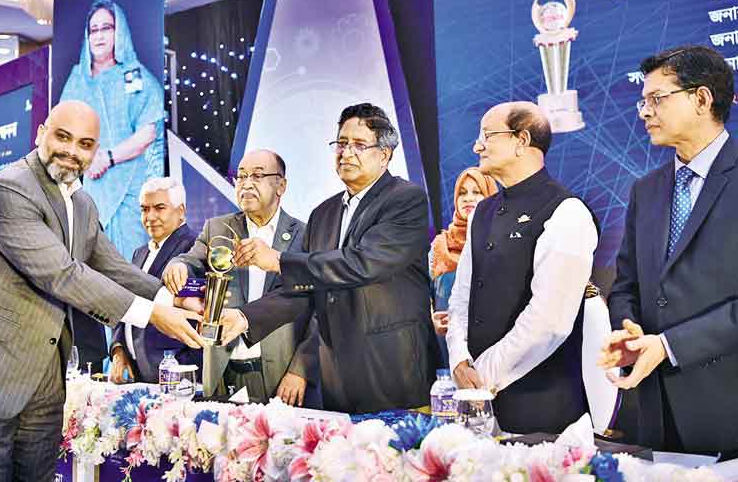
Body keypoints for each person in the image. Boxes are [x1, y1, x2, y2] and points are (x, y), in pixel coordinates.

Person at [0, 101, 204, 482]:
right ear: (41, 134)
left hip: (42, 382)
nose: (72, 151)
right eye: (63, 137)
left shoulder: (81, 202)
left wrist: (178, 301)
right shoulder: (9, 189)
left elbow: (112, 266)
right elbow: (63, 275)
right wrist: (152, 315)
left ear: (95, 152)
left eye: (85, 144)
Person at [220, 103, 437, 413]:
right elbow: (303, 289)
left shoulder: (405, 199)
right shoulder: (323, 214)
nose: (346, 153)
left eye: (359, 145)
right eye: (341, 143)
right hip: (336, 378)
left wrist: (279, 261)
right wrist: (244, 317)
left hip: (394, 373)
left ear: (385, 155)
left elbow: (362, 264)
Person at [601, 45, 738, 455]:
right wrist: (628, 331)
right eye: (642, 101)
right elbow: (625, 286)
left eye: (657, 99)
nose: (644, 112)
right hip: (654, 412)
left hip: (735, 411)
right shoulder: (645, 190)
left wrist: (670, 346)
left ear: (702, 99)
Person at [446, 101, 598, 434]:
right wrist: (458, 359)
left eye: (487, 135)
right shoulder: (482, 212)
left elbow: (549, 322)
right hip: (476, 401)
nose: (477, 146)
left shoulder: (566, 211)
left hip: (540, 408)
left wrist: (483, 375)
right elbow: (461, 297)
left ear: (522, 140)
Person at [163, 150, 320, 407]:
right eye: (241, 177)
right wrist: (177, 265)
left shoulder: (305, 235)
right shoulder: (217, 228)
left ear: (281, 185)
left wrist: (300, 369)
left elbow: (318, 312)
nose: (246, 184)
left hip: (280, 374)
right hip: (222, 369)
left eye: (257, 176)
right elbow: (191, 260)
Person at [59, 0, 164, 262]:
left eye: (106, 27)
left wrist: (108, 157)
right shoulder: (76, 81)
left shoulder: (136, 77)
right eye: (93, 29)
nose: (99, 35)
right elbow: (61, 130)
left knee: (131, 267)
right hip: (91, 188)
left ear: (120, 32)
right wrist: (87, 159)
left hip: (131, 189)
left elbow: (148, 132)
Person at [109, 177, 201, 384]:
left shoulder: (195, 249)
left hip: (175, 376)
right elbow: (125, 301)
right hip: (135, 373)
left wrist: (180, 368)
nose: (150, 216)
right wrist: (119, 347)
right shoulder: (139, 253)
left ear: (181, 211)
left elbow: (198, 314)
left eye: (159, 208)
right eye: (144, 209)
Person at [429, 167, 497, 367]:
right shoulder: (440, 245)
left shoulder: (502, 241)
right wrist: (431, 319)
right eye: (462, 193)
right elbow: (424, 294)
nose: (468, 198)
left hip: (493, 351)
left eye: (477, 192)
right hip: (448, 350)